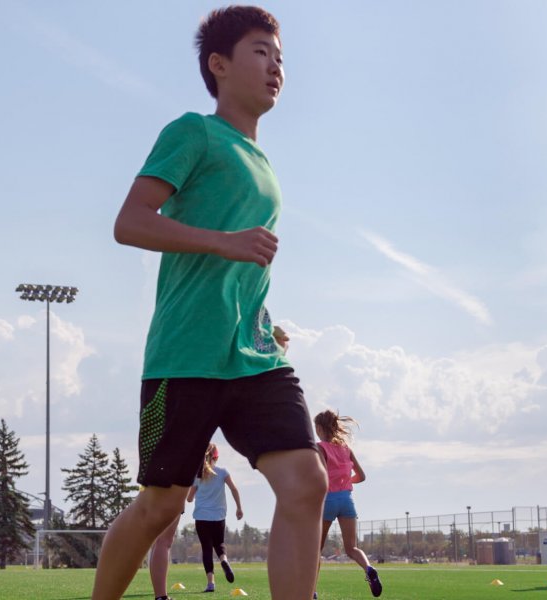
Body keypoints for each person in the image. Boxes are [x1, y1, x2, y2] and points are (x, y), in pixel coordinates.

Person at [93, 7, 327, 599]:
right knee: (161, 505)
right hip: (185, 354)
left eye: (280, 56)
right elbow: (129, 222)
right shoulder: (192, 132)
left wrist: (264, 322)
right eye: (260, 52)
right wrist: (225, 243)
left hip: (253, 356)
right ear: (218, 65)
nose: (276, 65)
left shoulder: (264, 163)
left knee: (306, 482)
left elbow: (247, 267)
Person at [313, 410, 382, 597]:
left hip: (328, 500)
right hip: (347, 501)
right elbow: (362, 476)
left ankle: (312, 591)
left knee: (315, 550)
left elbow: (318, 477)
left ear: (319, 428)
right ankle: (368, 569)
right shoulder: (346, 448)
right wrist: (344, 482)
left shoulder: (320, 448)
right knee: (352, 548)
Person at [186, 443, 243, 592]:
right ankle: (224, 560)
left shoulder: (198, 475)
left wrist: (194, 491)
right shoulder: (223, 472)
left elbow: (189, 499)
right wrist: (239, 507)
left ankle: (211, 583)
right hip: (219, 516)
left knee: (207, 549)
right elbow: (234, 489)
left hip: (202, 517)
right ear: (216, 456)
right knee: (219, 544)